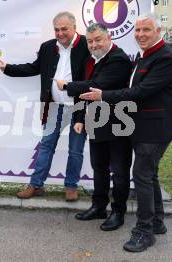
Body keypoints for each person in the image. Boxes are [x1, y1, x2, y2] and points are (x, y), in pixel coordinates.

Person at [80, 13, 172, 252]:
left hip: (155, 128)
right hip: (145, 126)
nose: (140, 35)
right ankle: (157, 223)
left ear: (159, 31)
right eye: (137, 30)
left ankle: (144, 232)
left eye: (146, 30)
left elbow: (141, 91)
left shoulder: (165, 57)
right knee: (150, 175)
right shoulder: (145, 56)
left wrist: (103, 95)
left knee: (142, 176)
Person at [0, 11, 89, 201]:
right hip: (53, 107)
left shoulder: (87, 46)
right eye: (57, 29)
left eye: (64, 29)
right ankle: (36, 184)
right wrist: (8, 69)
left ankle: (71, 186)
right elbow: (34, 67)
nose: (60, 33)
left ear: (74, 28)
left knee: (75, 149)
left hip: (79, 108)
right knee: (46, 146)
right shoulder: (47, 47)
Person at [55, 23, 133, 231]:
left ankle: (118, 212)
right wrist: (80, 118)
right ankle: (99, 206)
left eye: (98, 39)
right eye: (90, 41)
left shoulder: (119, 59)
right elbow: (85, 93)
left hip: (119, 122)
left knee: (119, 170)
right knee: (99, 167)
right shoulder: (90, 60)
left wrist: (66, 86)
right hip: (96, 121)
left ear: (109, 37)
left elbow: (97, 85)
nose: (94, 44)